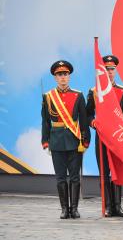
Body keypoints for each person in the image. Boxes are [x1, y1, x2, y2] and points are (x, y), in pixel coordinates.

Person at [41, 60, 90, 219]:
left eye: (65, 74)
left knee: (75, 177)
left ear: (69, 77)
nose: (63, 77)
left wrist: (85, 140)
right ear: (55, 77)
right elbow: (46, 121)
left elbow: (83, 121)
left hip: (74, 141)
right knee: (60, 177)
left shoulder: (78, 95)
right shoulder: (48, 97)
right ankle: (64, 209)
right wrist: (45, 141)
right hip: (56, 142)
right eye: (59, 75)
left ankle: (74, 209)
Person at [86, 55, 123, 217]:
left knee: (117, 172)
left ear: (115, 71)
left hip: (118, 139)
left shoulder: (122, 92)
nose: (110, 72)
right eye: (107, 69)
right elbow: (88, 114)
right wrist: (93, 123)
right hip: (102, 138)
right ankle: (109, 206)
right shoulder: (95, 92)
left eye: (112, 69)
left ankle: (118, 206)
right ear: (101, 72)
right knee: (104, 172)